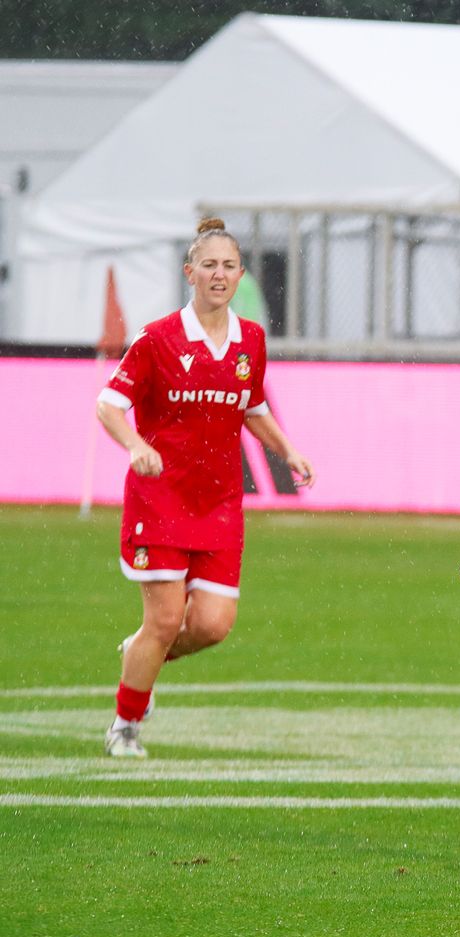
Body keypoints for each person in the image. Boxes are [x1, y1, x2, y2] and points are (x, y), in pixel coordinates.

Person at [96, 217, 314, 758]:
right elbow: (108, 405)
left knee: (213, 625)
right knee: (166, 619)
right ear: (189, 273)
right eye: (209, 265)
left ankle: (142, 657)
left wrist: (288, 450)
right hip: (159, 500)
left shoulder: (251, 340)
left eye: (229, 266)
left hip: (218, 503)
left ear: (240, 275)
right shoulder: (157, 339)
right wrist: (136, 446)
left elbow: (253, 409)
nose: (219, 274)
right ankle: (125, 725)